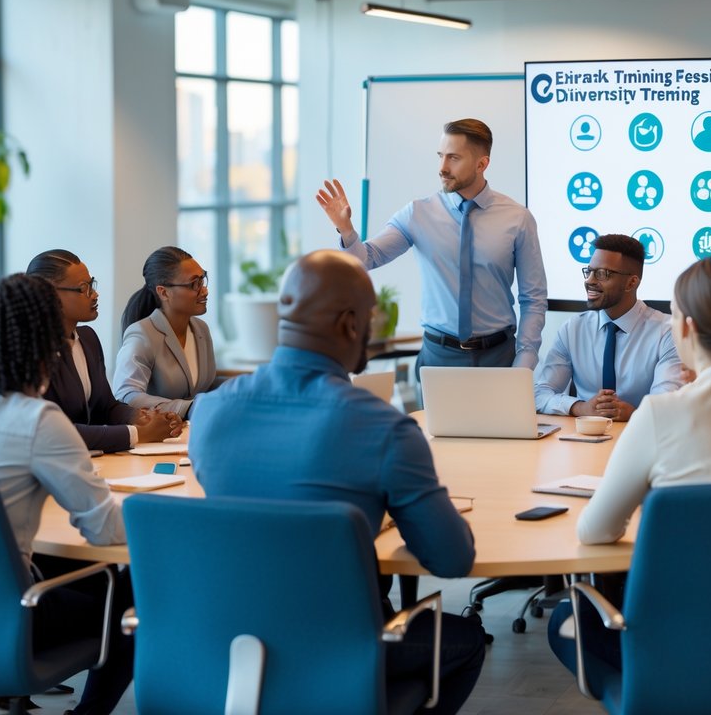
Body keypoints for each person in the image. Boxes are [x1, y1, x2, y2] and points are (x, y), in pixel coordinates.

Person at [190, 250, 486, 714]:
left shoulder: (210, 412)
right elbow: (451, 558)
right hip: (336, 646)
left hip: (221, 638)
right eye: (371, 319)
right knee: (466, 640)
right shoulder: (384, 429)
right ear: (351, 324)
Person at [547, 254, 711, 676]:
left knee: (566, 619)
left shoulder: (659, 414)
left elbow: (594, 532)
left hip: (676, 642)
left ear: (685, 327)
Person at [0, 274, 133, 715]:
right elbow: (103, 529)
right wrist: (152, 509)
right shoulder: (38, 418)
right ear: (40, 343)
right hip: (12, 613)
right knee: (137, 599)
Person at [317, 118, 548, 372]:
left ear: (482, 164)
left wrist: (524, 362)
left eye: (454, 158)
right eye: (441, 156)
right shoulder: (417, 214)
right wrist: (346, 229)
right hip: (439, 358)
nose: (442, 167)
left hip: (499, 357)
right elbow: (366, 259)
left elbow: (533, 298)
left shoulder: (518, 218)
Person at [25, 249, 180, 451]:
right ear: (51, 294)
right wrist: (137, 434)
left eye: (92, 284)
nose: (95, 294)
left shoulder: (88, 338)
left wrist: (143, 417)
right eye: (84, 288)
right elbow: (56, 431)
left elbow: (106, 406)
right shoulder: (34, 353)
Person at [534, 234, 684, 422]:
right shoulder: (572, 330)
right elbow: (540, 395)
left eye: (602, 273)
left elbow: (668, 403)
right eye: (588, 271)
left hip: (643, 439)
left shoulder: (667, 331)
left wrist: (634, 414)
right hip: (582, 440)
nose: (590, 280)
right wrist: (581, 407)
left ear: (632, 282)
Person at [112, 246, 218, 418]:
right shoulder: (142, 334)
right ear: (163, 292)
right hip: (160, 438)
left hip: (195, 432)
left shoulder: (201, 329)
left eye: (202, 280)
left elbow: (205, 386)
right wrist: (186, 408)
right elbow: (126, 396)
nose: (204, 290)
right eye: (194, 284)